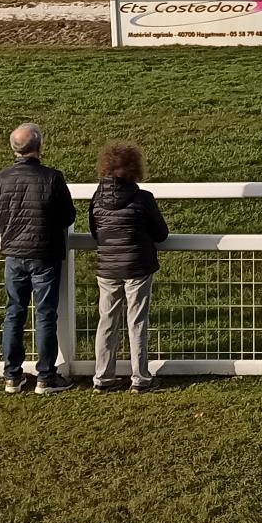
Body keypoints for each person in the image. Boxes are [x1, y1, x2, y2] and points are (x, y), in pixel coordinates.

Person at [0, 122, 76, 395]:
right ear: (39, 146)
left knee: (14, 313)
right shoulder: (52, 177)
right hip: (45, 254)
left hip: (14, 253)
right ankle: (45, 377)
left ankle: (12, 376)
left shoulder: (0, 179)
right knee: (45, 315)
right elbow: (67, 216)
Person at [87, 142, 169, 394]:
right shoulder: (143, 198)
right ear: (134, 169)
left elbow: (95, 232)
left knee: (107, 322)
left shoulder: (97, 198)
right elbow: (161, 234)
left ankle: (103, 377)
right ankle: (140, 378)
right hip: (138, 266)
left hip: (108, 268)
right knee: (137, 322)